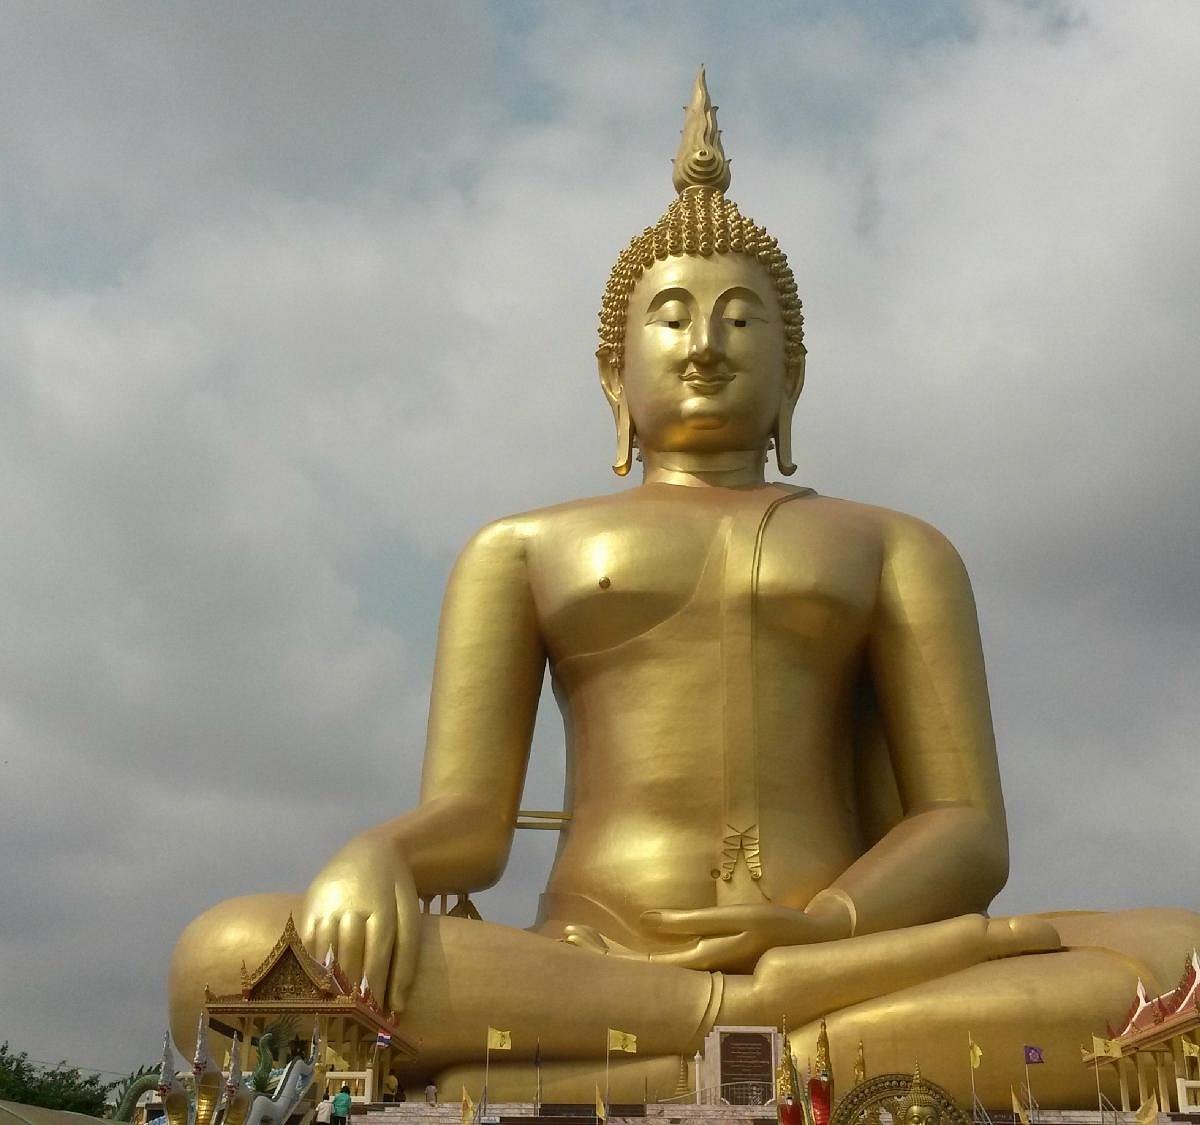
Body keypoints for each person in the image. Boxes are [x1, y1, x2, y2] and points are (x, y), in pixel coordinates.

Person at [168, 70, 1200, 1108]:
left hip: (845, 949)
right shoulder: (523, 546)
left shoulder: (894, 546)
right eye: (671, 319)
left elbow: (967, 829)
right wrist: (376, 853)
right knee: (227, 956)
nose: (705, 346)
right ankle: (736, 1035)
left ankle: (684, 1057)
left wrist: (826, 926)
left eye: (743, 323)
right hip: (592, 962)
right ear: (614, 376)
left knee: (1185, 954)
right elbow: (471, 825)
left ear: (792, 376)